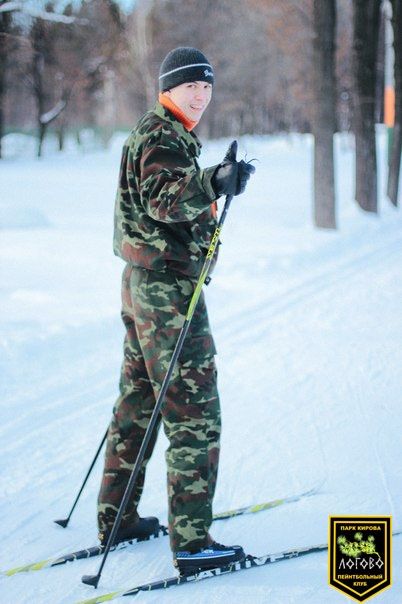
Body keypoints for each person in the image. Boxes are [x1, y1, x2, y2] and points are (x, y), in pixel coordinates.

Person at [97, 47, 255, 575]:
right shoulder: (162, 135)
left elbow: (161, 202)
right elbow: (164, 199)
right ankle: (192, 542)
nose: (201, 96)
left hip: (145, 282)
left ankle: (117, 519)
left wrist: (216, 182)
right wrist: (214, 181)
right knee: (194, 409)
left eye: (207, 88)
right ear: (169, 87)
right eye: (192, 87)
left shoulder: (164, 132)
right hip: (165, 290)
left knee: (139, 401)